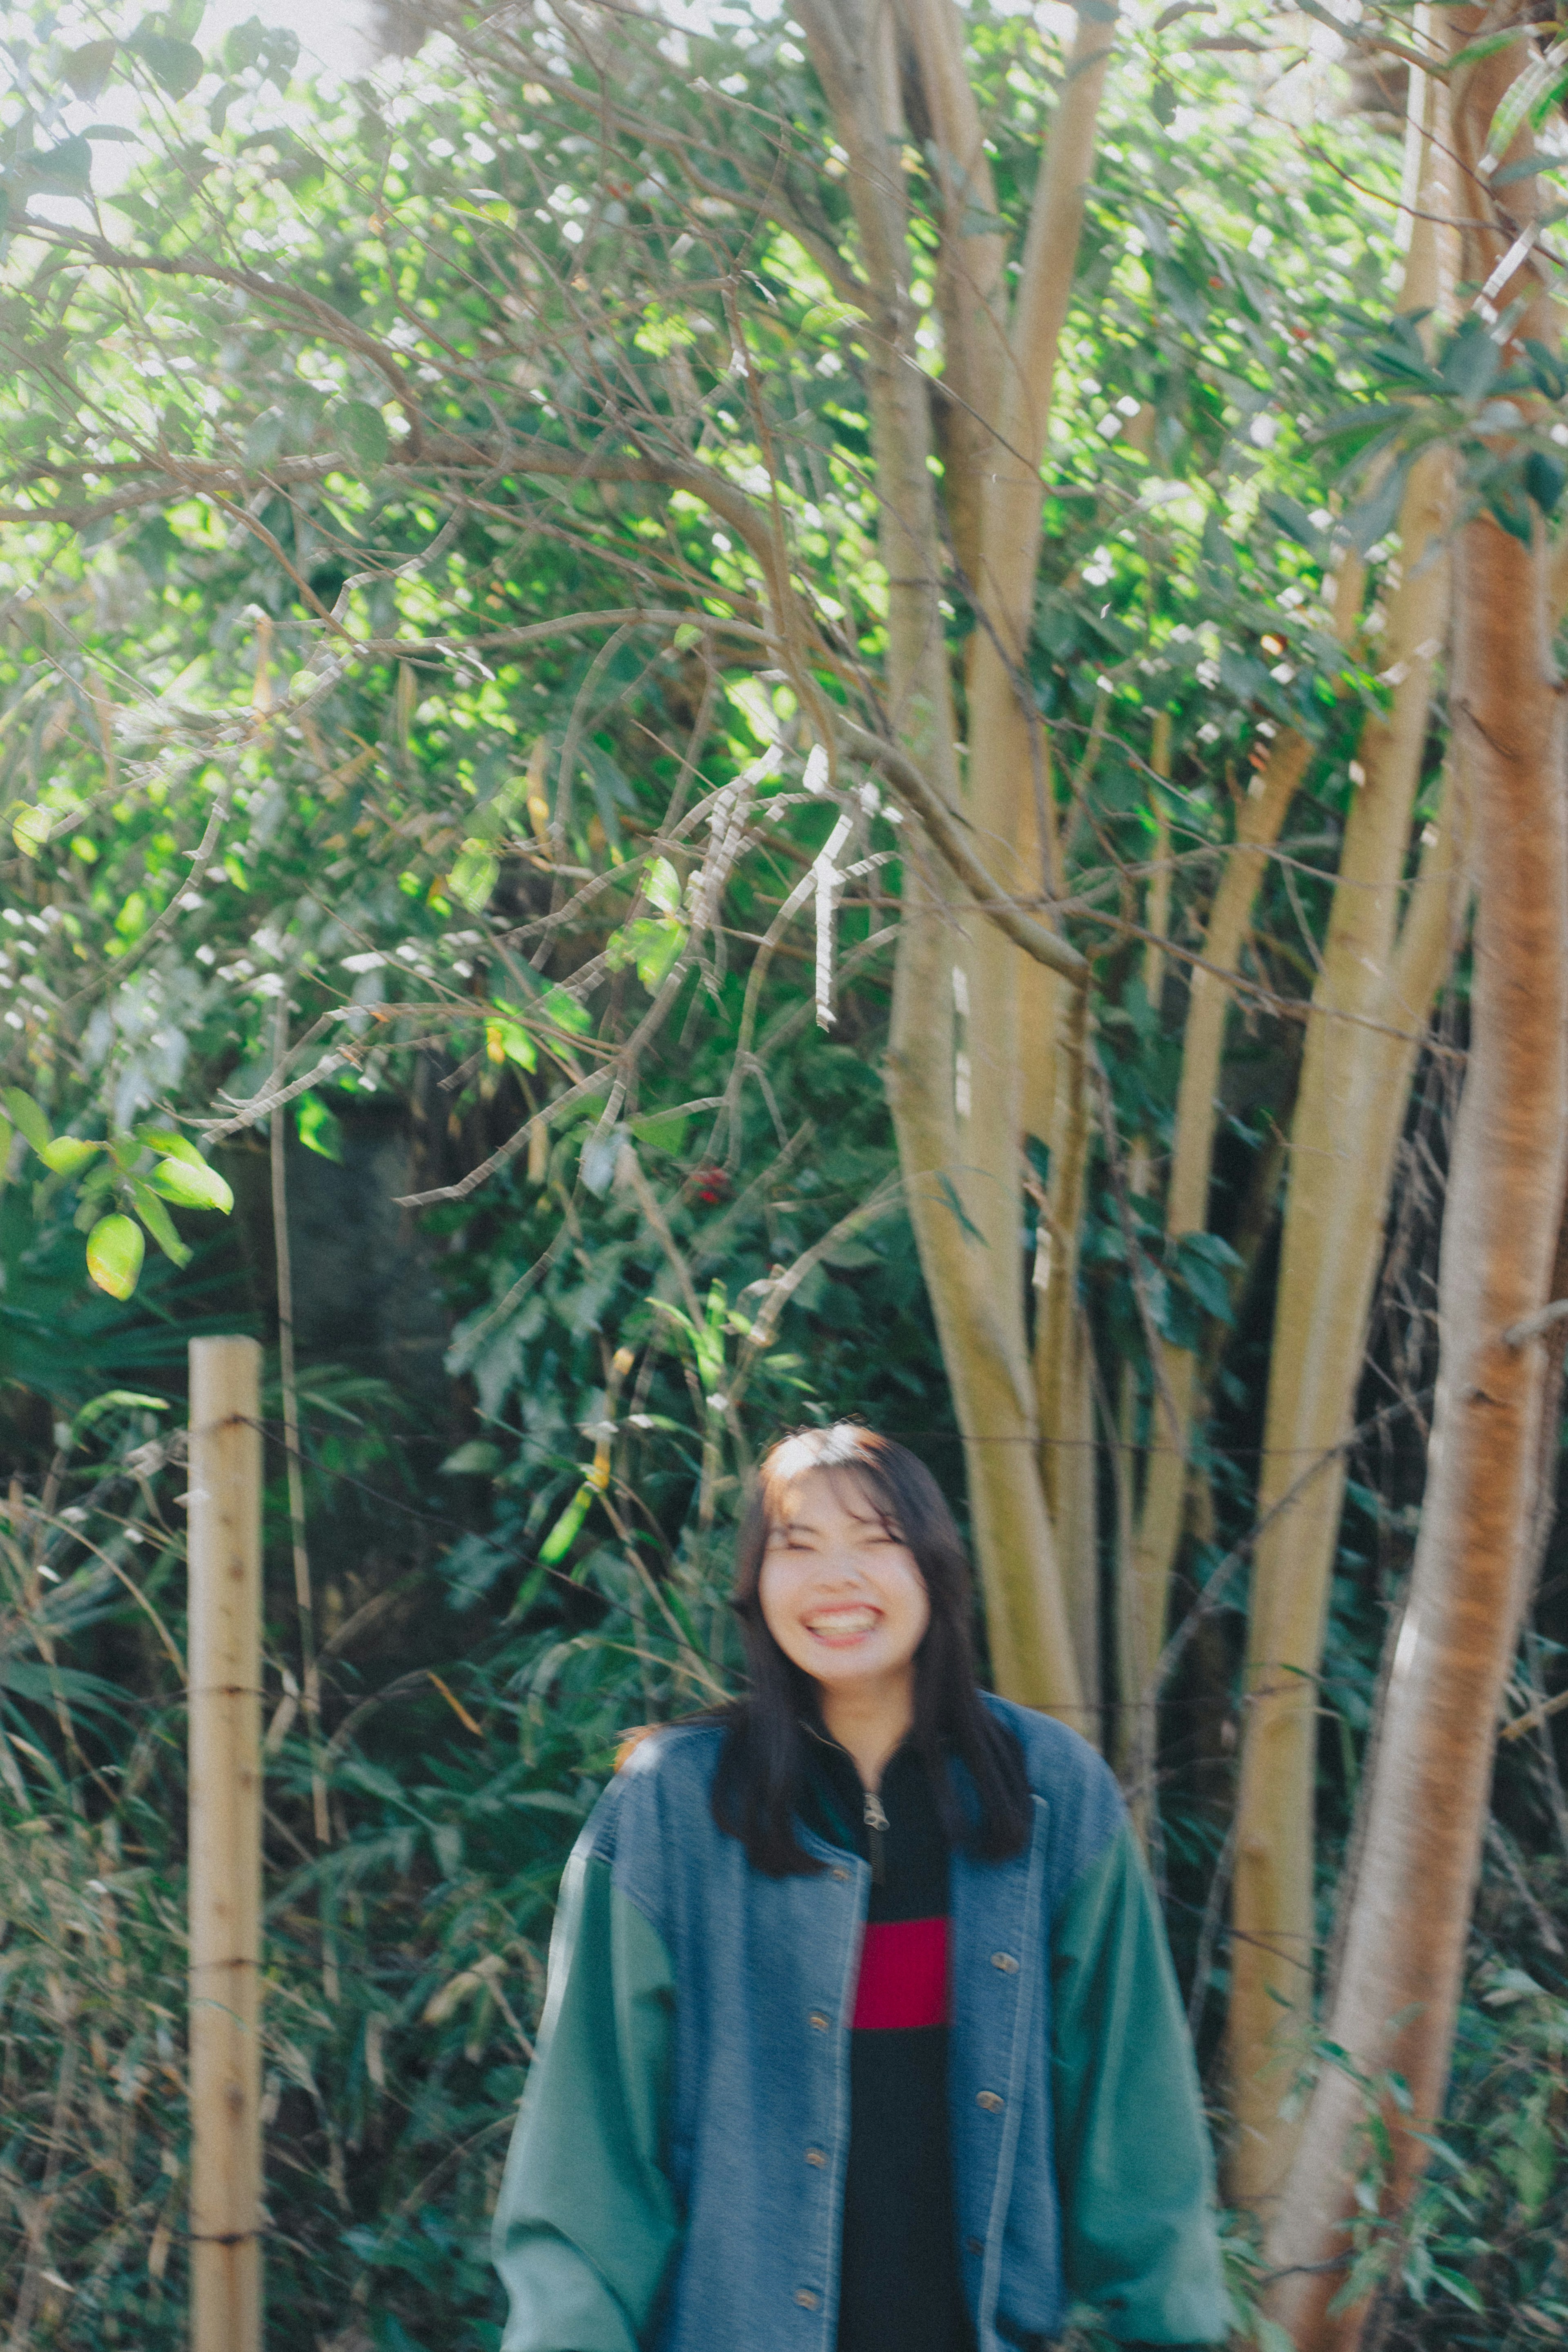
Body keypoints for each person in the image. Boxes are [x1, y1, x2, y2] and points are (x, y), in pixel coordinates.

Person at [491, 1423, 1230, 2352]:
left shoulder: (1052, 1796)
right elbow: (588, 2142)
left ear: (935, 1569)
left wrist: (1170, 2331)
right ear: (757, 1586)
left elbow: (1136, 2124)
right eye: (796, 1549)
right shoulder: (671, 1810)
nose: (836, 1578)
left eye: (877, 1541)